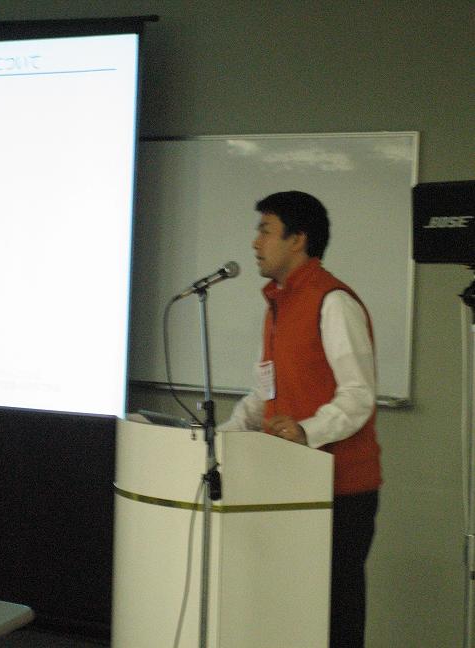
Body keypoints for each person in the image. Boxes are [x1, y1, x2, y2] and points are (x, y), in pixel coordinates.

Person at [219, 190, 381, 648]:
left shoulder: (333, 301)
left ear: (298, 239)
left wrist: (307, 431)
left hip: (340, 490)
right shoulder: (277, 304)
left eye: (265, 231)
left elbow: (358, 395)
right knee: (293, 615)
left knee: (333, 617)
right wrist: (219, 437)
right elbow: (264, 395)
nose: (255, 242)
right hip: (289, 484)